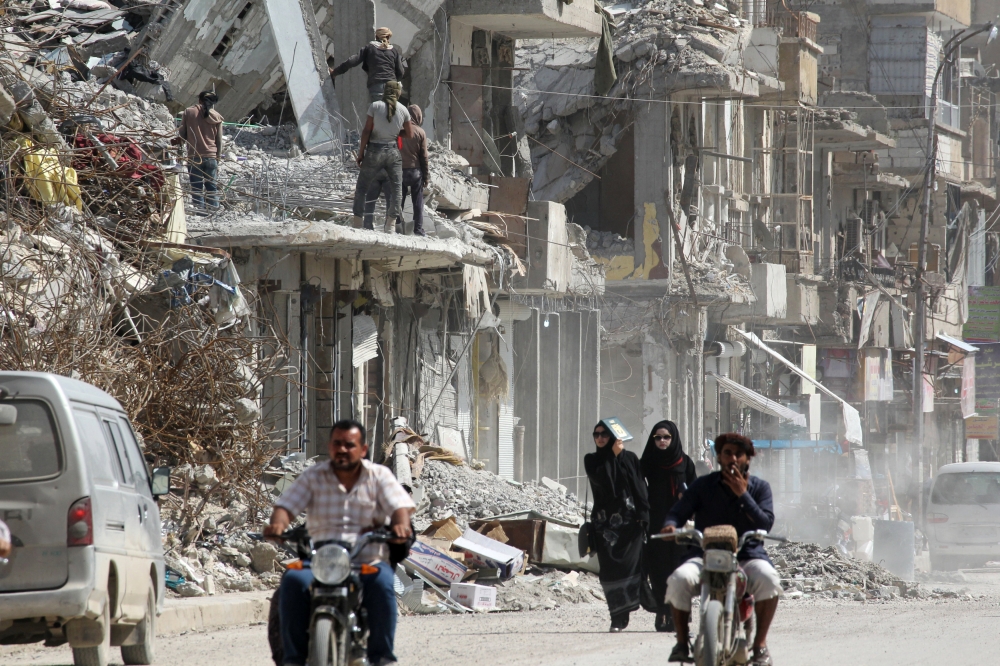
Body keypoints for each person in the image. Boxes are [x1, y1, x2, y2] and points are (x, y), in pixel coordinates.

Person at [265, 419, 415, 666]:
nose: (342, 449)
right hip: (320, 560)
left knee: (382, 583)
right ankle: (293, 659)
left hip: (366, 559)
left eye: (349, 444)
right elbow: (286, 506)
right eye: (337, 444)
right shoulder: (314, 476)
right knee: (292, 581)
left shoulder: (379, 476)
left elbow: (399, 506)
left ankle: (382, 657)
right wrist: (278, 524)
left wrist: (400, 524)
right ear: (330, 446)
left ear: (363, 449)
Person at [660, 433, 781, 665]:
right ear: (719, 457)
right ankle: (682, 642)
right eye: (727, 453)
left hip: (747, 555)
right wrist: (670, 525)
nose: (732, 458)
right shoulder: (702, 486)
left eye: (738, 454)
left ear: (748, 459)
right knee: (678, 579)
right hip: (704, 554)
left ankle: (760, 646)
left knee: (769, 580)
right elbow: (678, 511)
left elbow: (765, 523)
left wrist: (742, 494)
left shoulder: (759, 488)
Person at [584, 419, 650, 632]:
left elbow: (639, 487)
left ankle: (624, 612)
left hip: (630, 526)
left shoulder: (629, 458)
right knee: (609, 571)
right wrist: (613, 456)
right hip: (605, 527)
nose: (600, 438)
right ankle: (616, 614)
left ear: (613, 436)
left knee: (630, 567)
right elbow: (605, 481)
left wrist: (644, 516)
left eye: (604, 434)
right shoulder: (592, 460)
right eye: (597, 435)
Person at [640, 420, 697, 633]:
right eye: (658, 437)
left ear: (673, 438)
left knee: (679, 570)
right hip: (656, 524)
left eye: (666, 437)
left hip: (680, 526)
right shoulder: (647, 462)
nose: (662, 441)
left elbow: (696, 491)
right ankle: (662, 613)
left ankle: (679, 615)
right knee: (658, 570)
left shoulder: (685, 463)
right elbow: (636, 487)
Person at [352, 81, 413, 234]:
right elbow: (410, 134)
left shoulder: (375, 106)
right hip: (393, 151)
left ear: (385, 90)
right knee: (397, 189)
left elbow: (366, 130)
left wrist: (361, 154)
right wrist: (396, 133)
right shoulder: (404, 110)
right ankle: (390, 225)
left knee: (362, 187)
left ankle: (357, 222)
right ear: (398, 92)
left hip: (374, 150)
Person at [362, 104, 429, 235]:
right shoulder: (421, 132)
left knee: (398, 202)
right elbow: (424, 157)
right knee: (418, 202)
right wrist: (426, 176)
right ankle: (418, 229)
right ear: (418, 117)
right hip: (415, 172)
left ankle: (397, 228)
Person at [330, 27, 405, 102]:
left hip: (376, 85)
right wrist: (393, 80)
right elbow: (401, 72)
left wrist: (335, 72)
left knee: (378, 111)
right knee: (391, 111)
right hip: (392, 86)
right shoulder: (394, 51)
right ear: (388, 37)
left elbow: (352, 61)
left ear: (376, 36)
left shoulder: (369, 48)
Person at [178, 90, 223, 212]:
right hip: (211, 157)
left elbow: (182, 135)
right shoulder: (217, 116)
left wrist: (179, 150)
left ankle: (200, 211)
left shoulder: (189, 112)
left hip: (194, 156)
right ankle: (213, 210)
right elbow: (219, 141)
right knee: (212, 187)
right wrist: (217, 158)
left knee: (196, 187)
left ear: (199, 100)